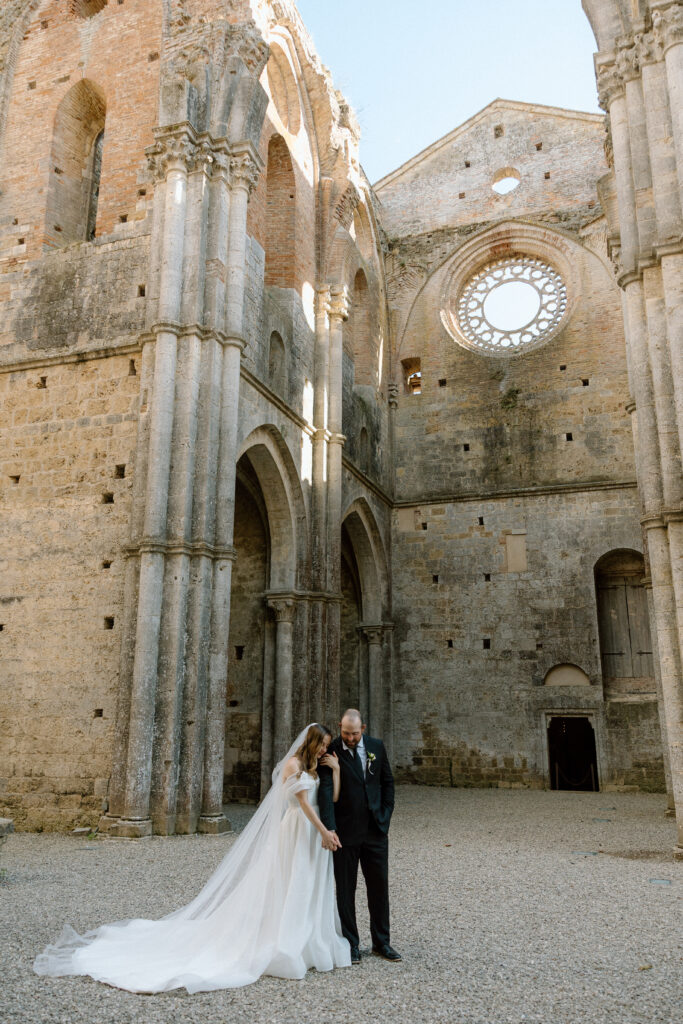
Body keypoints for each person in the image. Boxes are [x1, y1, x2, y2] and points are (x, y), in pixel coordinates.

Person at [34, 724, 351, 993]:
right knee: (290, 882)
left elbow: (329, 799)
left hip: (313, 834)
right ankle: (284, 942)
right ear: (311, 742)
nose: (325, 749)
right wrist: (324, 830)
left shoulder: (314, 768)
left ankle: (308, 940)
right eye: (322, 744)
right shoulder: (293, 766)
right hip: (300, 829)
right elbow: (303, 805)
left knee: (308, 885)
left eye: (327, 745)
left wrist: (335, 772)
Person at [318, 708, 401, 965]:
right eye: (345, 733)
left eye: (354, 734)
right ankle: (351, 944)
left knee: (379, 887)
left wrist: (385, 815)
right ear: (340, 728)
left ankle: (382, 942)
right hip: (345, 832)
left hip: (376, 830)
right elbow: (326, 792)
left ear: (362, 729)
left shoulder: (376, 746)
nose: (350, 738)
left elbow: (387, 782)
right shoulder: (330, 750)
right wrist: (330, 828)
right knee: (346, 889)